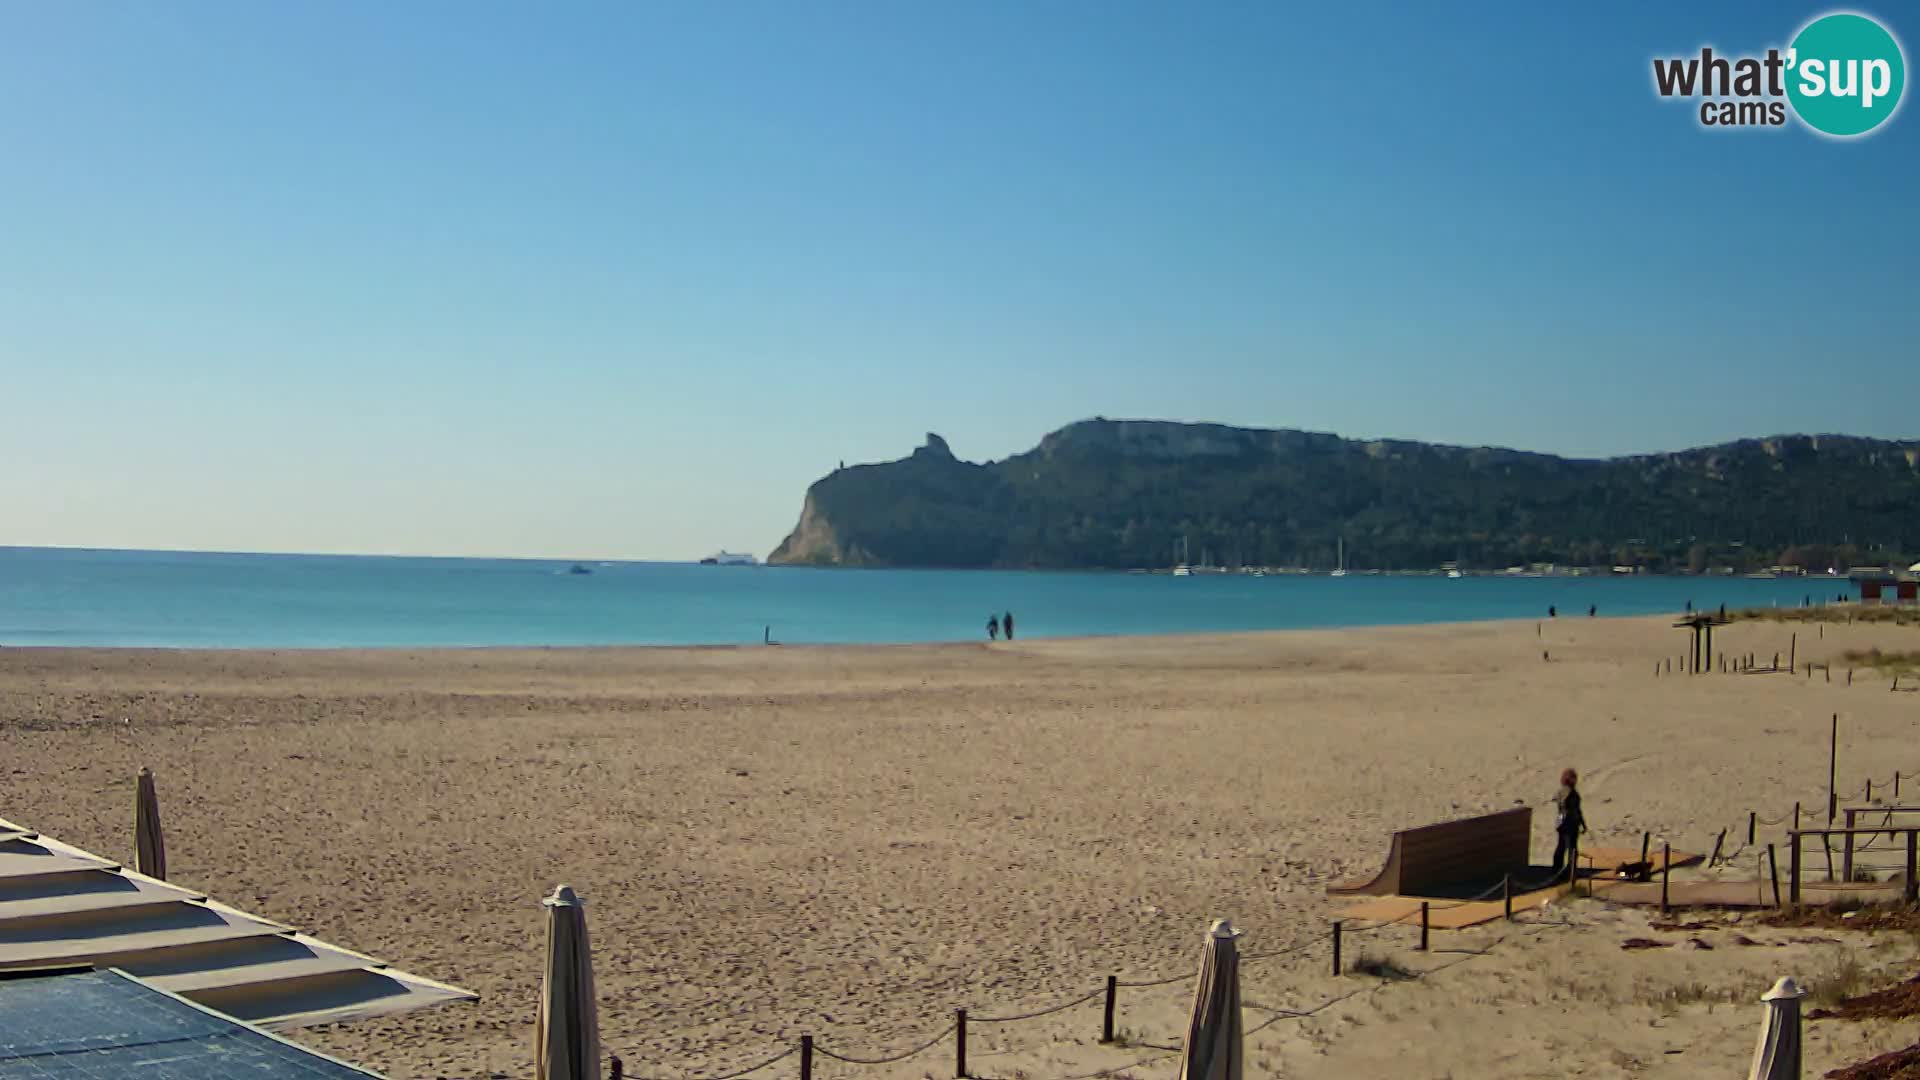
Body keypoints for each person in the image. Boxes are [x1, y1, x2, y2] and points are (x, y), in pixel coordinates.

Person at [1552, 768, 1587, 880]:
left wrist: (1582, 823)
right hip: (1570, 824)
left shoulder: (1561, 791)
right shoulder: (1571, 793)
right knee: (1571, 849)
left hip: (1562, 823)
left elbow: (1558, 802)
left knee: (1562, 847)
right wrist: (1582, 823)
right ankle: (1569, 872)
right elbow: (1575, 810)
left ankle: (1557, 871)